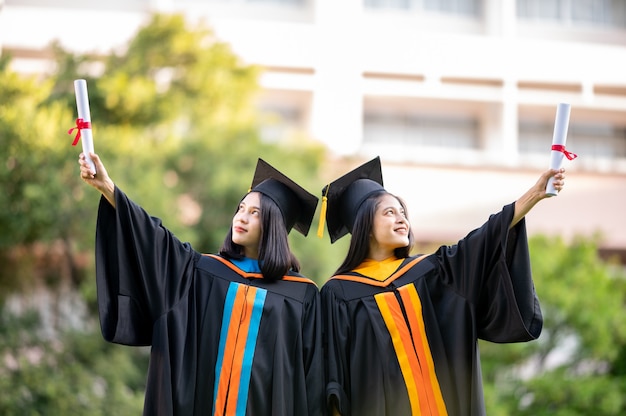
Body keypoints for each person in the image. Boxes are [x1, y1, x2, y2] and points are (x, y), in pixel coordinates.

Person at [78, 152, 325, 416]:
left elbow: (312, 379)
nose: (241, 218)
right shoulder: (203, 272)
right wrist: (108, 188)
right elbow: (154, 240)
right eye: (241, 208)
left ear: (274, 226)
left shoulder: (301, 298)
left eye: (255, 213)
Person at [318, 156, 566, 416]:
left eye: (403, 212)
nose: (402, 219)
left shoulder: (431, 271)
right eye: (389, 212)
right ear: (365, 225)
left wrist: (534, 195)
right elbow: (334, 379)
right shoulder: (339, 294)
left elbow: (483, 240)